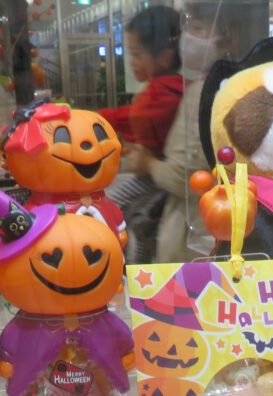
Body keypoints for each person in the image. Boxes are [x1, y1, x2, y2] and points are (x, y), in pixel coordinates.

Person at [141, 2, 243, 264]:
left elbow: (184, 178)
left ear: (229, 37)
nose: (187, 38)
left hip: (195, 236)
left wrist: (148, 163)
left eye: (198, 28)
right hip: (225, 229)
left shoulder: (204, 93)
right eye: (188, 27)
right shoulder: (238, 84)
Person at [100, 6, 185, 264]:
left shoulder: (163, 92)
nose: (132, 62)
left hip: (156, 177)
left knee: (111, 207)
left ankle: (125, 266)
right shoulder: (170, 87)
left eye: (137, 54)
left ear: (165, 57)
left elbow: (137, 117)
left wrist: (101, 119)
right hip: (155, 172)